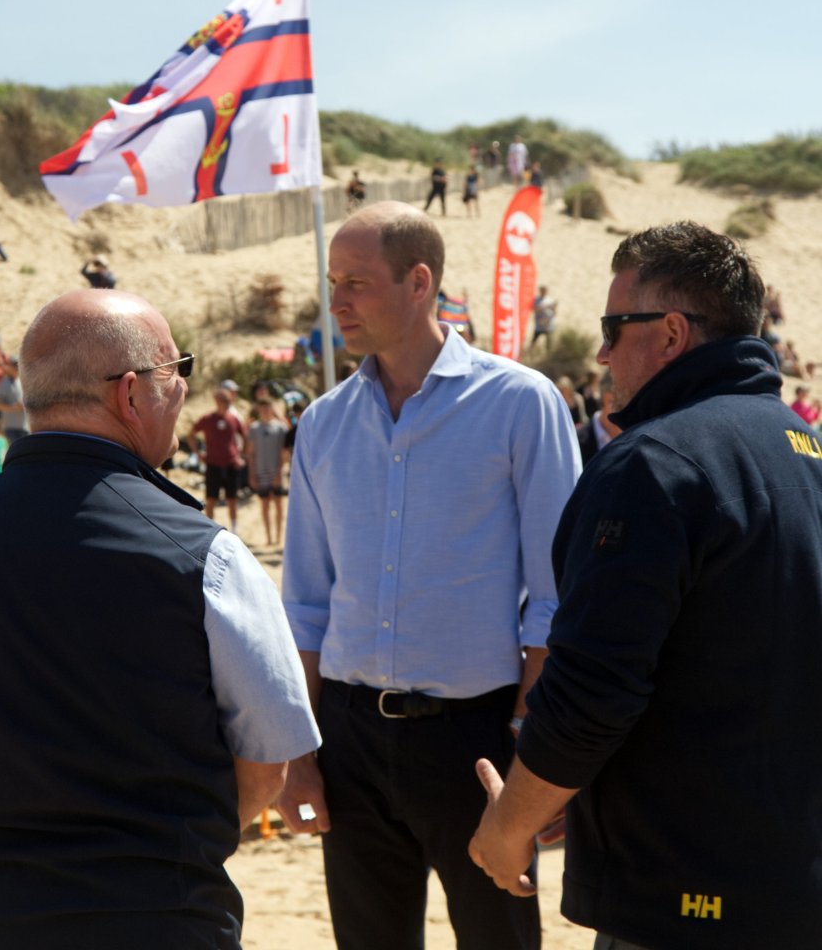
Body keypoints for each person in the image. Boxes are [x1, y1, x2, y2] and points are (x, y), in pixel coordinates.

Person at [0, 288, 320, 948]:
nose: (184, 393)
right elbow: (266, 769)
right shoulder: (203, 554)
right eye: (178, 373)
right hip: (156, 914)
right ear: (132, 394)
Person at [468, 221, 822, 950]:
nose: (599, 352)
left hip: (686, 897)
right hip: (792, 881)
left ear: (669, 334)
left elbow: (593, 690)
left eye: (611, 327)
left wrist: (511, 826)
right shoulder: (805, 450)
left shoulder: (655, 464)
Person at [278, 202, 581, 950]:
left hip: (477, 739)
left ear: (420, 282)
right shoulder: (321, 424)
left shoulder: (519, 403)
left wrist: (527, 743)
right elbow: (307, 605)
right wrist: (300, 757)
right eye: (331, 282)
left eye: (356, 282)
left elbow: (559, 597)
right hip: (346, 741)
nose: (337, 302)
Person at [188, 386, 246, 532]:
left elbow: (245, 436)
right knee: (211, 499)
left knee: (232, 499)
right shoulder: (208, 419)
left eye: (228, 400)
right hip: (213, 464)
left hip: (231, 464)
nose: (226, 403)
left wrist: (241, 455)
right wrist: (198, 453)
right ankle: (210, 528)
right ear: (216, 401)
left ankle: (234, 529)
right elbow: (191, 434)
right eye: (223, 400)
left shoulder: (233, 419)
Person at [246, 396, 287, 546]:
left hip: (276, 471)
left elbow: (284, 453)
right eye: (262, 407)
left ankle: (278, 537)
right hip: (260, 472)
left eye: (267, 407)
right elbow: (250, 454)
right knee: (264, 506)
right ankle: (268, 538)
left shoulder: (281, 428)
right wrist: (251, 475)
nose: (265, 410)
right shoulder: (254, 428)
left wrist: (280, 471)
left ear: (272, 408)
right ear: (259, 409)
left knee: (278, 505)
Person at [0, 354, 28, 443]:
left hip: (25, 426)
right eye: (15, 365)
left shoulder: (23, 381)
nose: (17, 367)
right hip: (10, 428)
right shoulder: (4, 383)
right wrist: (14, 408)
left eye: (19, 364)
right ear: (9, 366)